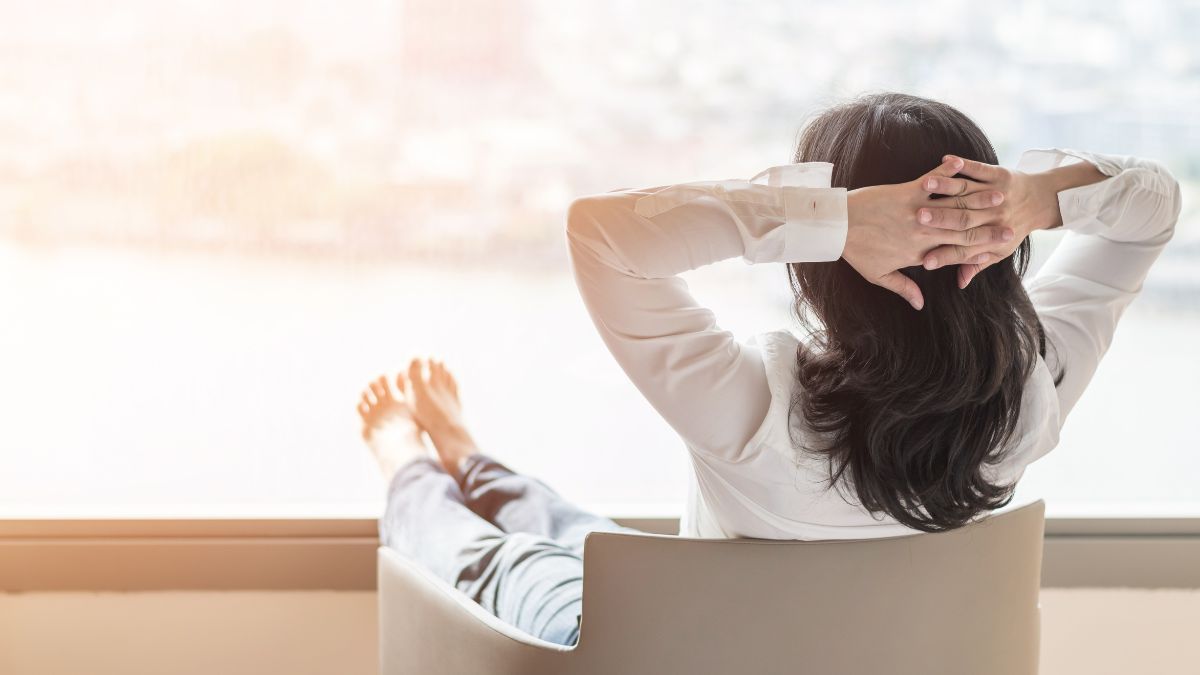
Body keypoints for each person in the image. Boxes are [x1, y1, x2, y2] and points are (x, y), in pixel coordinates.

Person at [359, 92, 1181, 646]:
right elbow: (1153, 210)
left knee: (500, 559)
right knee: (584, 535)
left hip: (657, 652)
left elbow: (601, 234)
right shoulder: (1034, 400)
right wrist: (1039, 197)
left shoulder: (755, 413)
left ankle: (411, 459)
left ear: (823, 264)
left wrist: (830, 220)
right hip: (750, 633)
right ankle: (471, 456)